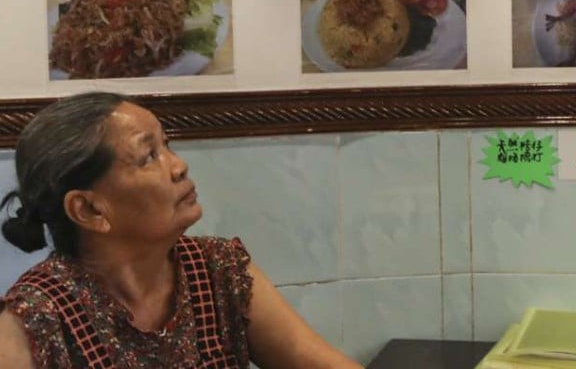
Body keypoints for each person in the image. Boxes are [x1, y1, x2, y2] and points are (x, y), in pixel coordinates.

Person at [0, 92, 363, 369]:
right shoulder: (34, 318)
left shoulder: (218, 268)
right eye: (148, 157)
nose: (179, 166)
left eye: (167, 146)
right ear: (90, 209)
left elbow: (316, 361)